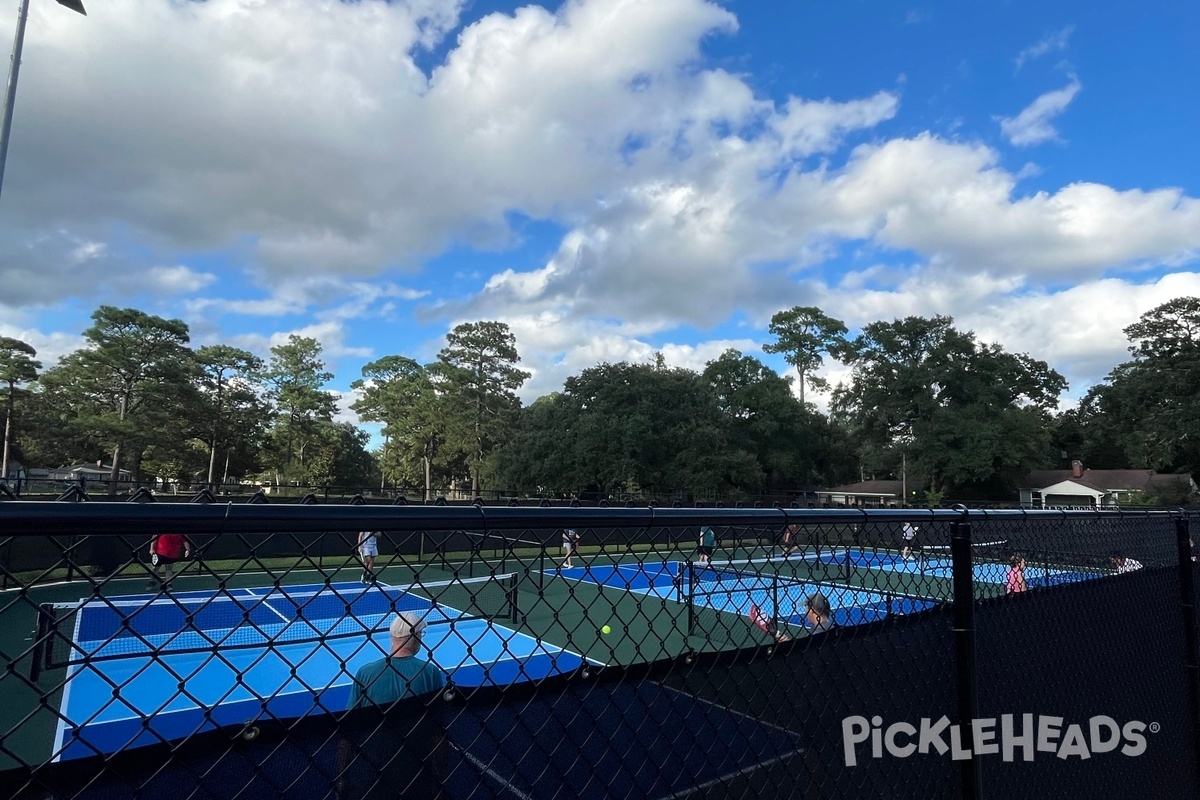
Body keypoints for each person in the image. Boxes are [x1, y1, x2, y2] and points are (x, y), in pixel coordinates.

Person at [340, 611, 448, 799]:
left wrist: (342, 777)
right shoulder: (430, 672)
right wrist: (441, 775)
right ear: (415, 637)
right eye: (421, 635)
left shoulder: (365, 673)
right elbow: (437, 734)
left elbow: (348, 731)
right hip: (416, 771)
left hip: (372, 769)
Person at [348, 611, 446, 709]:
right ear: (417, 635)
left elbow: (350, 715)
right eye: (421, 633)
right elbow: (438, 711)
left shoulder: (364, 672)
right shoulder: (430, 671)